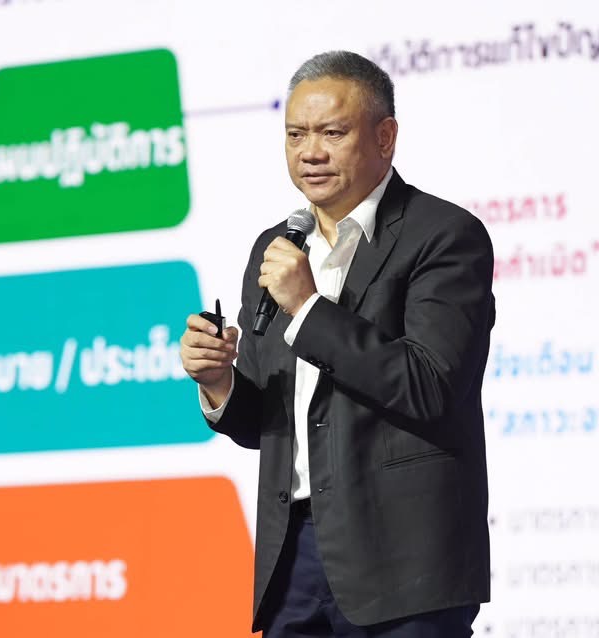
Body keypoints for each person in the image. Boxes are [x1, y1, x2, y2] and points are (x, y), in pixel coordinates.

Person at [180, 50, 495, 637]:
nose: (310, 152)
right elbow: (266, 423)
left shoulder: (444, 236)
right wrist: (219, 381)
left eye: (332, 133)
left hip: (405, 563)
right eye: (295, 134)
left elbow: (429, 386)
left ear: (385, 137)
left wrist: (307, 308)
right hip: (293, 557)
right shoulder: (276, 248)